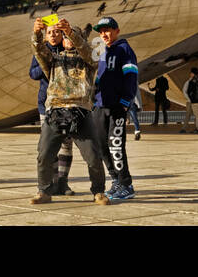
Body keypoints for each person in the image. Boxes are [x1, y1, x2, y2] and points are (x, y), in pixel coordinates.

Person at [30, 16, 110, 206]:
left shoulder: (89, 61)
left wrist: (71, 33)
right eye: (64, 36)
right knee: (44, 154)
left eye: (69, 35)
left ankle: (98, 191)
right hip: (55, 111)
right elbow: (39, 50)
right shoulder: (53, 60)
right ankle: (44, 191)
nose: (66, 39)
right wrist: (35, 33)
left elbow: (85, 49)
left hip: (80, 113)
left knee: (93, 156)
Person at [93, 16, 139, 202]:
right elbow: (99, 79)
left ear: (117, 30)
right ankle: (116, 180)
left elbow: (131, 77)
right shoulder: (104, 51)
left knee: (116, 145)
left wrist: (125, 102)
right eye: (101, 31)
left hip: (117, 107)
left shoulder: (124, 50)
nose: (104, 34)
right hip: (99, 106)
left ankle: (126, 185)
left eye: (108, 30)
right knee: (101, 145)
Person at [30, 22, 74, 194]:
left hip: (67, 104)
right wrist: (46, 63)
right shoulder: (40, 51)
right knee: (49, 146)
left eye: (57, 32)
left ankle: (63, 182)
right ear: (46, 35)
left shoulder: (69, 49)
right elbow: (32, 74)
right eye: (50, 32)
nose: (54, 35)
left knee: (66, 145)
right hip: (46, 105)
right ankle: (54, 183)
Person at [179, 67, 198, 134]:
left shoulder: (189, 81)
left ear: (192, 73)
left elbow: (184, 91)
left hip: (192, 102)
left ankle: (186, 128)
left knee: (189, 115)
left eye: (191, 73)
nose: (190, 74)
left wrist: (190, 99)